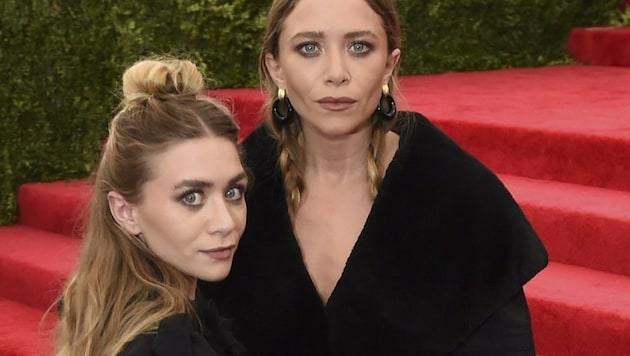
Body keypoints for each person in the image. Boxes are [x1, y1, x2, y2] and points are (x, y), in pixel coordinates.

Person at [200, 0, 548, 354]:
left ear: (388, 65)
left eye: (359, 47)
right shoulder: (233, 192)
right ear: (276, 67)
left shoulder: (460, 195)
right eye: (309, 48)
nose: (336, 72)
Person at [54, 58, 248, 356]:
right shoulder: (167, 346)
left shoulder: (117, 311)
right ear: (125, 211)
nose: (225, 222)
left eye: (233, 192)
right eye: (192, 197)